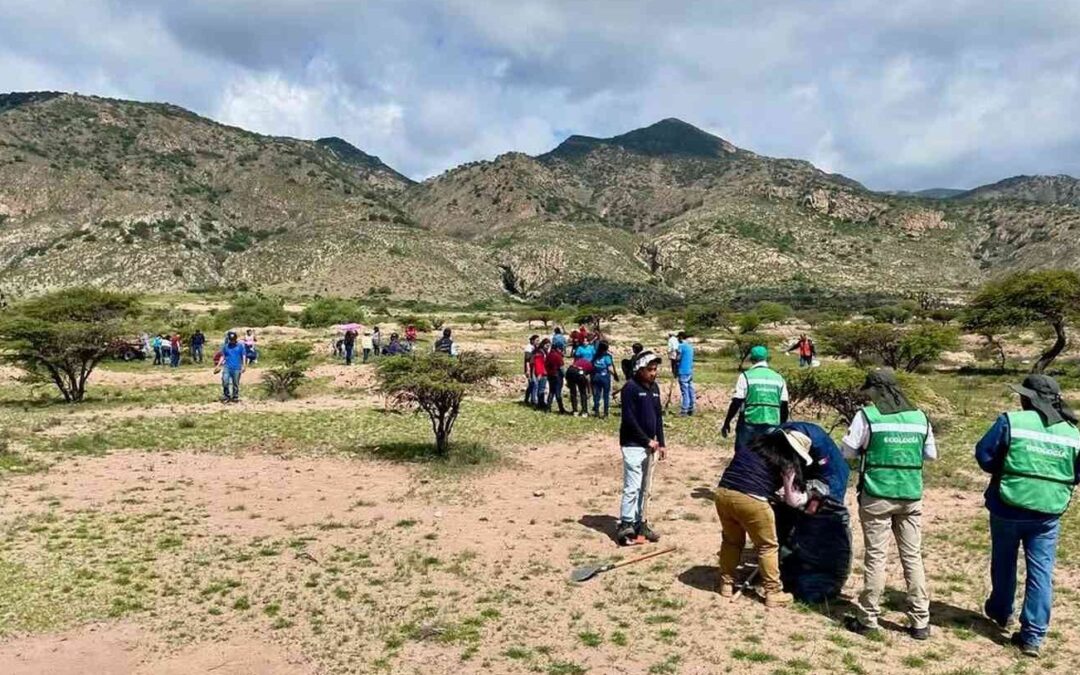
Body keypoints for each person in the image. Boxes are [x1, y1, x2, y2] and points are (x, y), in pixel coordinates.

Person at [975, 375, 1080, 658]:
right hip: (1048, 511)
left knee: (1004, 561)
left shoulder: (1011, 421)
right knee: (1041, 571)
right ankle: (1033, 635)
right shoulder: (1072, 432)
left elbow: (984, 454)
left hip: (1007, 505)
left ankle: (1001, 611)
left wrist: (1007, 471)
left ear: (1028, 398)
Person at [842, 369, 936, 640]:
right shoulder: (920, 417)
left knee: (876, 556)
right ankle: (920, 621)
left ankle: (868, 618)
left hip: (876, 494)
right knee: (912, 556)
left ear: (875, 391)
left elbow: (848, 451)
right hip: (910, 495)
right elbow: (931, 454)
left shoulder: (867, 416)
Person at [713, 424, 810, 607]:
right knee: (767, 546)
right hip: (752, 500)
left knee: (731, 541)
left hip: (723, 493)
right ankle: (773, 592)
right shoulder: (787, 462)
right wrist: (806, 497)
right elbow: (791, 501)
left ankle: (726, 583)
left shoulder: (753, 446)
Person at [774, 422, 853, 602]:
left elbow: (831, 483)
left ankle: (821, 578)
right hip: (808, 472)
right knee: (791, 521)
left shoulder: (822, 450)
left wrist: (816, 499)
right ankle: (786, 568)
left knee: (824, 523)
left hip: (830, 477)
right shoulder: (780, 436)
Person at [616, 351, 667, 546]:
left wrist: (661, 442)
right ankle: (626, 523)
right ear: (640, 369)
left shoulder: (654, 388)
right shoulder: (630, 388)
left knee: (645, 487)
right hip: (632, 444)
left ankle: (640, 522)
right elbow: (629, 419)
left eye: (655, 369)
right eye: (650, 369)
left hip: (650, 446)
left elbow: (658, 416)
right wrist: (646, 440)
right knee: (633, 486)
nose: (653, 373)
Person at [722, 346, 788, 449]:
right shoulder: (779, 378)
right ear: (766, 358)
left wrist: (727, 421)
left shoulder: (745, 376)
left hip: (750, 421)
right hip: (772, 421)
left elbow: (737, 401)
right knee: (768, 454)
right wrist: (782, 426)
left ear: (751, 359)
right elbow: (784, 405)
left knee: (744, 453)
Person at [591, 341, 618, 419]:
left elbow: (592, 365)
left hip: (596, 376)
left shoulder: (595, 356)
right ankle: (605, 413)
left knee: (597, 395)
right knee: (606, 395)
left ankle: (596, 412)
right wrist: (615, 375)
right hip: (605, 377)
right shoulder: (607, 357)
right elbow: (610, 368)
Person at [219, 331, 247, 403]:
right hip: (227, 367)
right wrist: (218, 365)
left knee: (235, 383)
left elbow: (243, 355)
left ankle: (235, 396)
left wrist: (244, 365)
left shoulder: (240, 346)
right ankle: (227, 396)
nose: (232, 341)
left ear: (236, 339)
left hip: (237, 367)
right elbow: (223, 356)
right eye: (231, 340)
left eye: (233, 340)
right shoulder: (225, 347)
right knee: (225, 381)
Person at [675, 332, 696, 416]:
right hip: (689, 370)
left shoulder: (681, 346)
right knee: (690, 389)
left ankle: (684, 410)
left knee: (685, 391)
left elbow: (678, 358)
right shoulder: (690, 347)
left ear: (680, 337)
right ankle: (692, 408)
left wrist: (675, 359)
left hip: (682, 370)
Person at [566, 351, 592, 417]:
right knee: (583, 393)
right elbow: (587, 379)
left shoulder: (578, 361)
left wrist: (568, 383)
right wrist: (589, 391)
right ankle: (584, 412)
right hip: (579, 373)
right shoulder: (590, 365)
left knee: (573, 393)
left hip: (570, 371)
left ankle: (575, 411)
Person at [546, 340, 568, 414]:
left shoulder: (549, 354)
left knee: (551, 391)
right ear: (558, 348)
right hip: (557, 376)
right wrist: (566, 377)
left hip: (550, 375)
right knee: (558, 392)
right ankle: (561, 409)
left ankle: (548, 408)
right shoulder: (558, 356)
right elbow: (562, 368)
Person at [532, 339, 550, 411]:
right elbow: (538, 364)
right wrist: (539, 373)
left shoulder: (545, 352)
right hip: (542, 373)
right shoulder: (540, 353)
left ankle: (541, 402)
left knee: (542, 388)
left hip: (545, 372)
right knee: (541, 389)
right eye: (546, 345)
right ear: (543, 344)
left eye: (548, 346)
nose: (547, 347)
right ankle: (540, 403)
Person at [523, 335, 539, 405]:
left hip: (534, 368)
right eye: (537, 340)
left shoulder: (535, 347)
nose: (538, 342)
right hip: (530, 368)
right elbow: (527, 360)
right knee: (534, 384)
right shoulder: (528, 348)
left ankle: (527, 399)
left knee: (531, 384)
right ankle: (533, 400)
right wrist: (528, 370)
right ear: (532, 340)